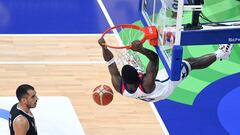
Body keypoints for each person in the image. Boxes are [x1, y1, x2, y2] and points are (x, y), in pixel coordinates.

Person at [98, 37, 233, 102]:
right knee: (190, 62)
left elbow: (109, 61)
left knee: (185, 60)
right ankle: (223, 53)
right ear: (140, 76)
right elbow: (154, 59)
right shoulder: (146, 84)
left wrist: (103, 48)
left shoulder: (118, 85)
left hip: (151, 93)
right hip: (165, 86)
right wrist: (141, 49)